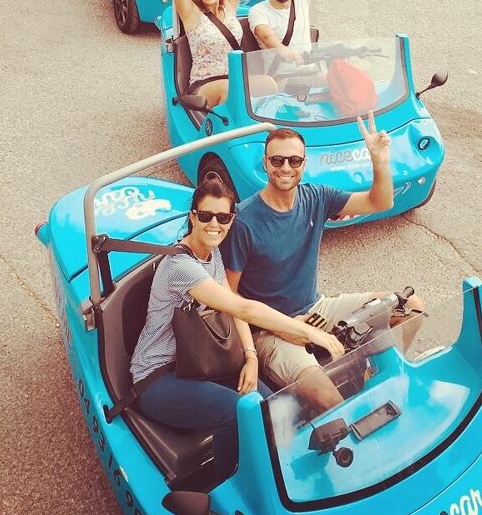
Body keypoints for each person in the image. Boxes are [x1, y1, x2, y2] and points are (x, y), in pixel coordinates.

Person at [129, 176, 344, 488]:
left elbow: (233, 305)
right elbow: (244, 310)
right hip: (158, 376)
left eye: (223, 217)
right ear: (193, 217)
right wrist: (310, 333)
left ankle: (285, 476)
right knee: (236, 412)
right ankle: (227, 488)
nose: (214, 224)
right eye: (205, 216)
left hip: (197, 360)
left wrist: (251, 357)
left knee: (277, 406)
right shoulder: (180, 266)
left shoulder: (211, 251)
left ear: (231, 218)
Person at [223, 121, 424, 414]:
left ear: (304, 164)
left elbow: (380, 202)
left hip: (317, 308)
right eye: (277, 160)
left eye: (294, 160)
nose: (285, 167)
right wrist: (284, 330)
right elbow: (230, 298)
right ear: (265, 163)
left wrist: (379, 161)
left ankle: (377, 384)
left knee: (411, 307)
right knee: (328, 399)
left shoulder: (315, 197)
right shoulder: (244, 221)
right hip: (270, 330)